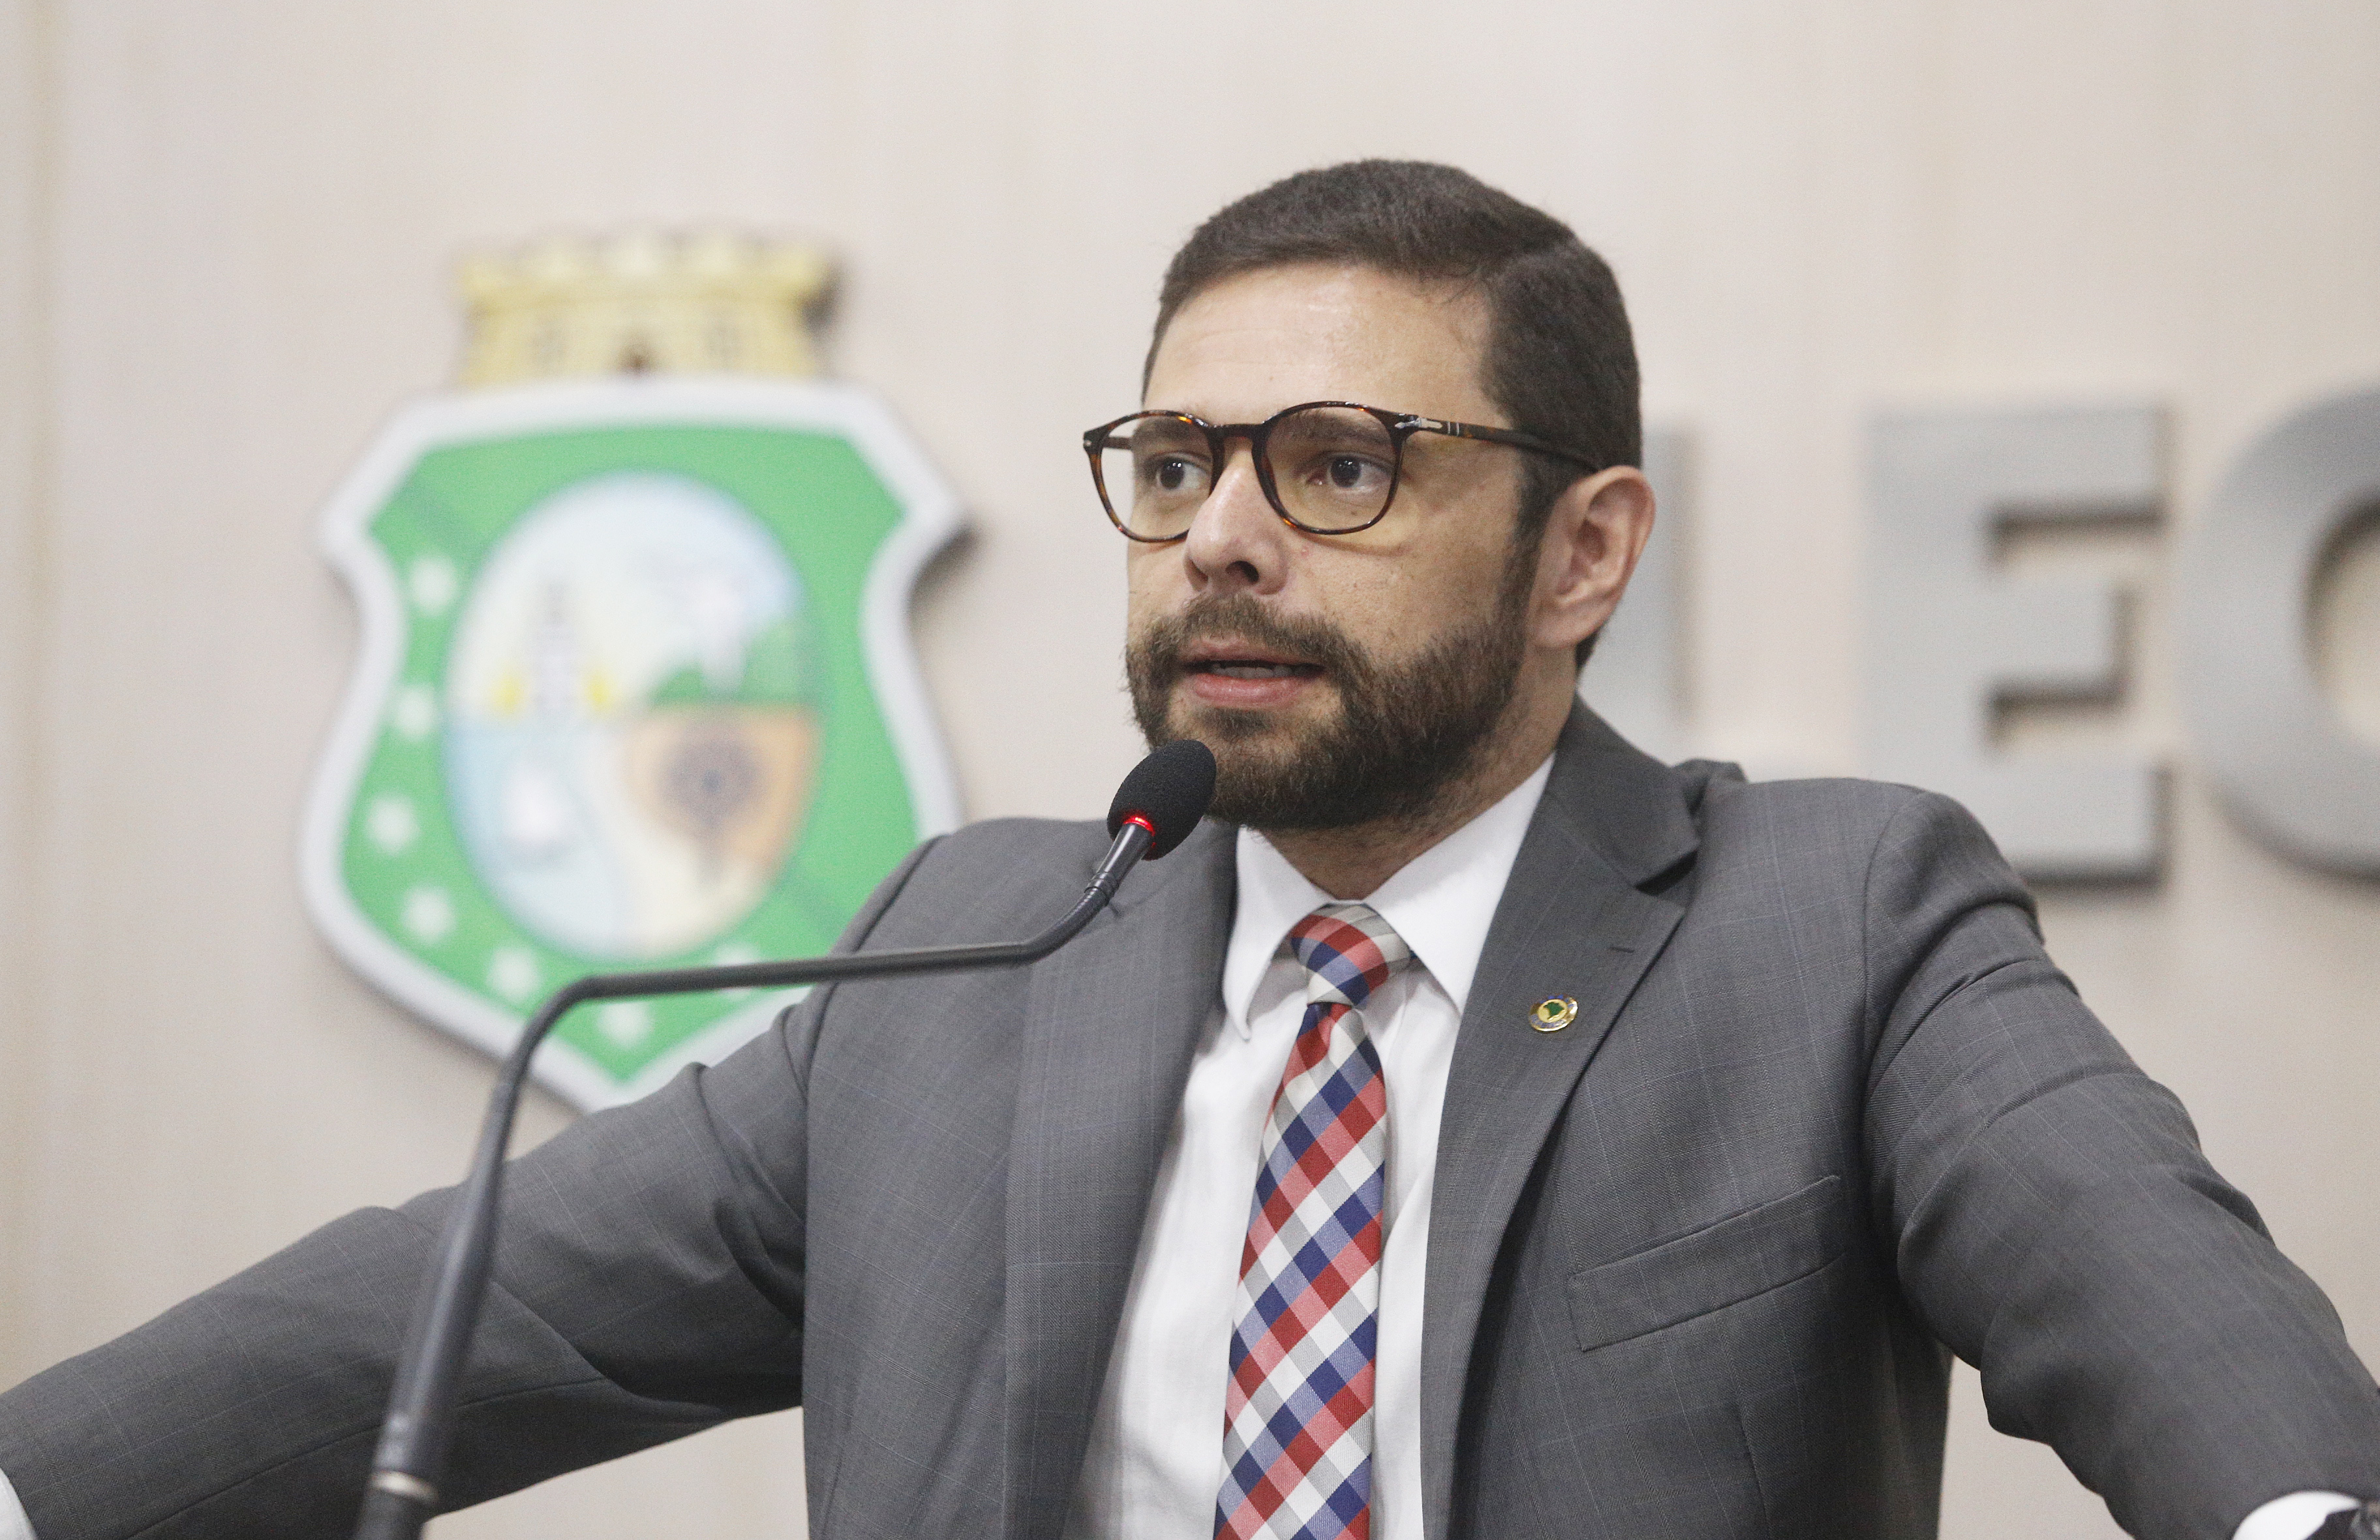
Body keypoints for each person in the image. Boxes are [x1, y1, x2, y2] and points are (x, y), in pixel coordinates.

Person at [1, 160, 2375, 1540]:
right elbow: (446, 1315)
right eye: (1172, 465)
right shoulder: (980, 950)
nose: (1221, 537)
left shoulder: (1827, 921)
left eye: (1335, 465)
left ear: (1583, 550)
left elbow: (2134, 1274)